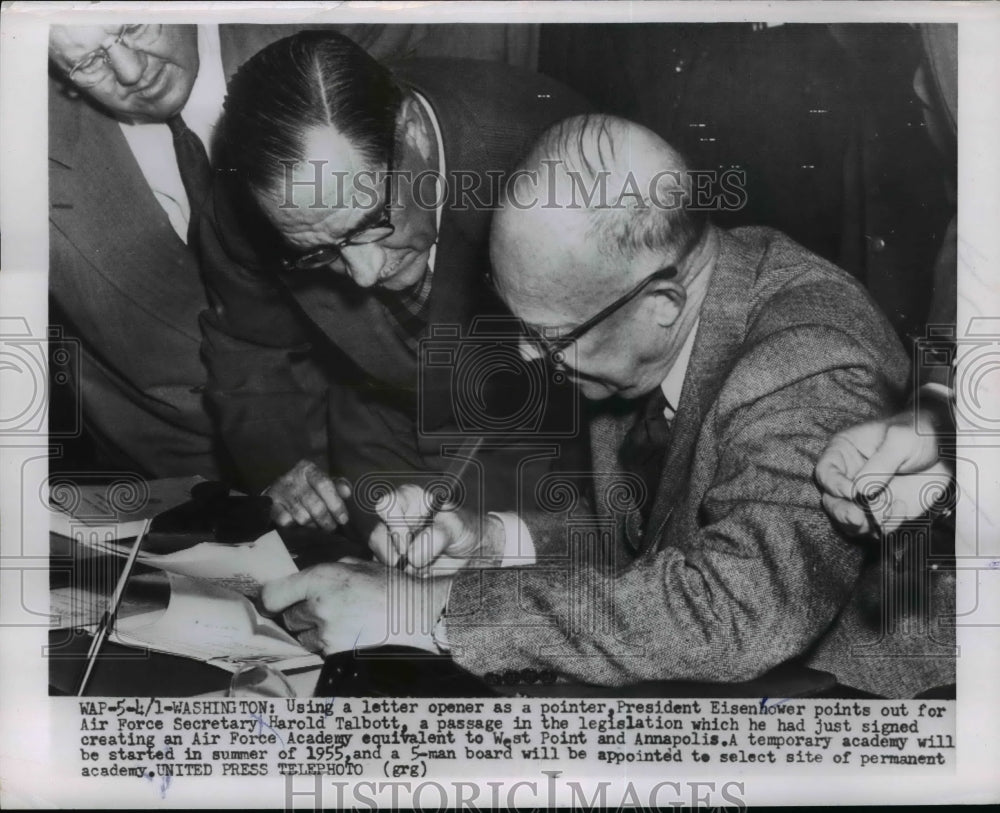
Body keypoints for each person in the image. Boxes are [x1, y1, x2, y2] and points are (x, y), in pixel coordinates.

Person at [262, 114, 955, 698]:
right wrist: (493, 539)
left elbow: (740, 610)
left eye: (549, 336)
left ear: (659, 304)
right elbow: (657, 538)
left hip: (859, 708)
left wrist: (420, 608)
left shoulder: (804, 357)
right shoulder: (643, 329)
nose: (531, 358)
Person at [200, 30, 591, 533]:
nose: (363, 276)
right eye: (317, 252)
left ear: (413, 132)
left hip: (539, 430)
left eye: (371, 222)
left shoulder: (553, 156)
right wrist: (280, 464)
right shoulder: (246, 208)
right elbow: (246, 342)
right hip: (374, 420)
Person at [47, 22, 424, 477]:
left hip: (380, 449)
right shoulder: (20, 149)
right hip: (168, 475)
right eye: (88, 62)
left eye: (134, 28)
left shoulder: (342, 28)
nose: (129, 72)